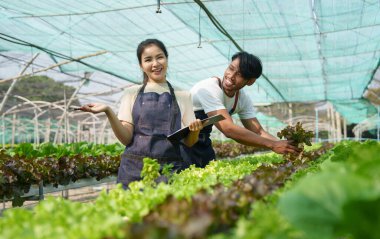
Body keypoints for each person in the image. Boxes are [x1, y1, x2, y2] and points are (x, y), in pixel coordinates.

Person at [79, 39, 203, 188]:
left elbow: (189, 142)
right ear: (141, 65)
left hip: (169, 169)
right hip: (133, 169)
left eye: (160, 57)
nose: (155, 64)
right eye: (148, 60)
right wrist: (108, 111)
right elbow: (126, 139)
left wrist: (195, 131)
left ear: (167, 59)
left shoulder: (183, 95)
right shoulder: (131, 93)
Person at [181, 51, 299, 168]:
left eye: (240, 75)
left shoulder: (242, 99)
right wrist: (272, 145)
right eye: (231, 68)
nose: (231, 76)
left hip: (202, 141)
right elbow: (228, 129)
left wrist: (287, 146)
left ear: (251, 81)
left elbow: (258, 131)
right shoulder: (209, 88)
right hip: (180, 140)